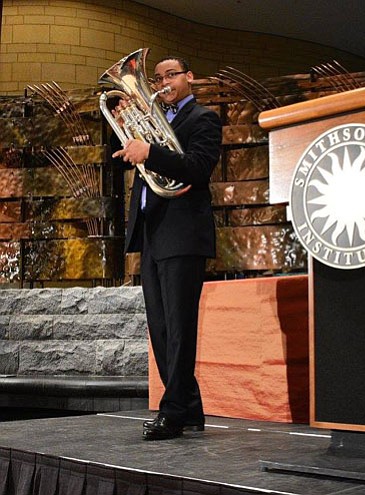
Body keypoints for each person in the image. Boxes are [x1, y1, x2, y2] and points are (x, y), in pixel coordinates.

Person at [112, 55, 222, 441]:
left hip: (183, 233)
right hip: (153, 234)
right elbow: (124, 161)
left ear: (190, 77)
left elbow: (197, 168)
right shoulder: (158, 120)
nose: (162, 82)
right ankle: (189, 408)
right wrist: (126, 125)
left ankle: (173, 410)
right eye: (156, 77)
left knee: (178, 328)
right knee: (160, 328)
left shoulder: (203, 119)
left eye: (170, 75)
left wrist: (151, 152)